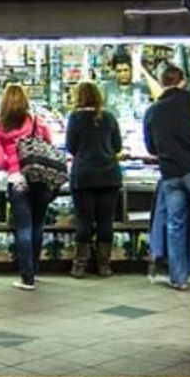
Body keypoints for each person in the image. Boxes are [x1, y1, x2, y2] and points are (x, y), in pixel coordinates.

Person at [143, 64, 190, 290]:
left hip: (170, 174)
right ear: (183, 80)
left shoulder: (152, 111)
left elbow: (150, 148)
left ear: (160, 81)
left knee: (175, 225)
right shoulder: (189, 102)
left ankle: (179, 278)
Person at [0, 84, 55, 290]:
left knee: (24, 227)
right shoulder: (37, 122)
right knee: (37, 225)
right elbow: (49, 147)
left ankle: (26, 276)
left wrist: (12, 159)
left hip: (17, 180)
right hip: (40, 179)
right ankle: (35, 270)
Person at [65, 80, 122, 278]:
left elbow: (71, 147)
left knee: (85, 220)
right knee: (106, 220)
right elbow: (117, 146)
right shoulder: (108, 117)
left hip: (84, 176)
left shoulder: (75, 118)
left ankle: (79, 265)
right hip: (109, 175)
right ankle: (104, 265)